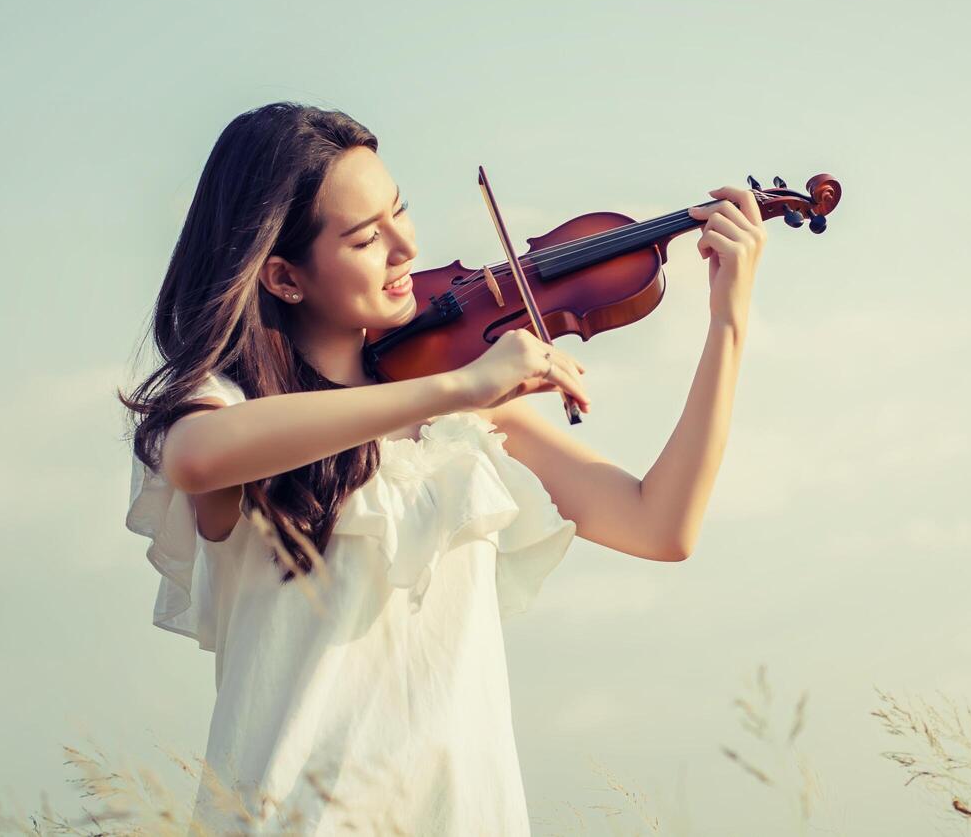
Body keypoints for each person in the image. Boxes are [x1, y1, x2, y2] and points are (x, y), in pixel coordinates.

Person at [118, 101, 765, 834]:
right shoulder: (233, 406)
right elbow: (199, 458)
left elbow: (660, 524)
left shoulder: (460, 423)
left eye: (401, 212)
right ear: (284, 277)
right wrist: (462, 386)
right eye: (366, 239)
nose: (406, 248)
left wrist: (728, 320)